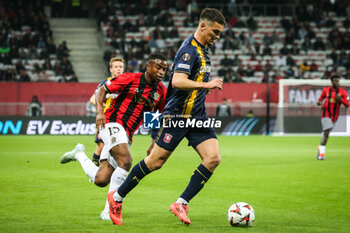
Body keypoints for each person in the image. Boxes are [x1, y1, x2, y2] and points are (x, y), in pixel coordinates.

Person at [106, 8, 226, 226]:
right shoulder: (188, 50)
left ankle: (181, 203)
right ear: (203, 26)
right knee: (154, 162)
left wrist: (202, 89)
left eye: (219, 33)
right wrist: (206, 84)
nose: (217, 37)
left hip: (197, 116)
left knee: (213, 158)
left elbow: (190, 84)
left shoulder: (203, 51)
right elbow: (178, 81)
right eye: (215, 32)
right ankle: (116, 197)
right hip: (177, 116)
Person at [60, 54, 167, 221]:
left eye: (164, 69)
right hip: (112, 123)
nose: (161, 72)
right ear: (148, 66)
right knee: (126, 161)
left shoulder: (161, 92)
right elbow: (101, 90)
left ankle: (79, 154)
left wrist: (154, 142)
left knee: (101, 179)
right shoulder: (130, 79)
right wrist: (100, 113)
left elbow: (157, 117)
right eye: (158, 67)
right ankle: (110, 209)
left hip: (127, 134)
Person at [89, 57, 125, 167]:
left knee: (115, 147)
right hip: (105, 120)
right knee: (100, 145)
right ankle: (94, 169)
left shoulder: (126, 83)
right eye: (116, 67)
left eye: (120, 67)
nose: (118, 69)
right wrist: (102, 106)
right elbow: (93, 99)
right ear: (111, 69)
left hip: (120, 120)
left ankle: (110, 170)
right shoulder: (106, 83)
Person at [316, 74, 349, 160]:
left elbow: (347, 105)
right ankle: (321, 154)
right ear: (332, 82)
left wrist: (341, 100)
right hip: (325, 113)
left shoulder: (343, 92)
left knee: (327, 132)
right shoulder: (326, 90)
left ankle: (320, 149)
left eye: (338, 81)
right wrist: (319, 102)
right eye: (335, 81)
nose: (337, 82)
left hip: (335, 115)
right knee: (326, 131)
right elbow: (321, 98)